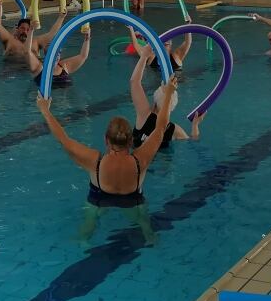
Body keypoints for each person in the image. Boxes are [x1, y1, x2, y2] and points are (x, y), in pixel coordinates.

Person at [35, 77, 177, 242]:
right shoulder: (140, 159)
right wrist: (168, 93)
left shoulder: (95, 161)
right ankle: (150, 238)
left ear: (106, 140)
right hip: (132, 200)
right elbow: (160, 128)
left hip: (99, 198)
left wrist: (45, 110)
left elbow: (63, 139)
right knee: (143, 221)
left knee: (89, 223)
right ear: (131, 141)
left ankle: (84, 242)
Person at [130, 45, 203, 149]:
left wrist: (144, 56)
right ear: (172, 108)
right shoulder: (174, 130)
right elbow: (193, 142)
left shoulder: (144, 115)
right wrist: (195, 125)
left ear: (154, 103)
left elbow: (134, 82)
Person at [25, 20, 90, 88]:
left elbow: (83, 56)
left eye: (58, 53)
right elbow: (27, 52)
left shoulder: (64, 66)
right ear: (45, 54)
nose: (55, 56)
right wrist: (31, 29)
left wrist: (87, 38)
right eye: (52, 53)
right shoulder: (38, 68)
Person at [0, 0, 66, 58]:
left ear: (32, 30)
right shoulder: (9, 40)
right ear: (17, 28)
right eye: (22, 28)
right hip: (11, 71)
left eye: (28, 29)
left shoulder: (36, 42)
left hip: (31, 71)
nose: (25, 31)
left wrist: (61, 17)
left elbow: (52, 34)